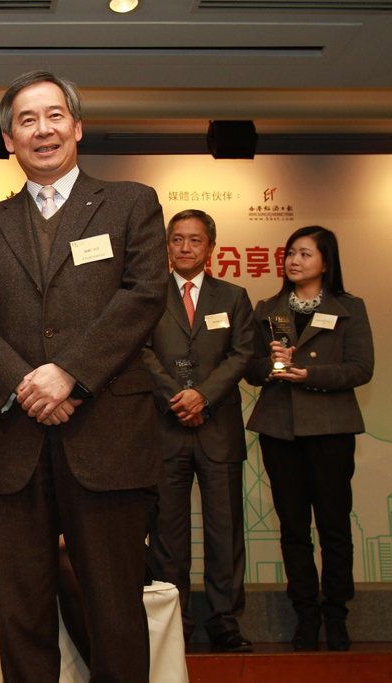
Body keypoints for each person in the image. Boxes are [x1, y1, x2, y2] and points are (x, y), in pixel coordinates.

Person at [0, 70, 168, 682]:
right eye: (26, 120)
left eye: (54, 116)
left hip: (106, 435)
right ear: (8, 139)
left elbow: (143, 295)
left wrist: (71, 375)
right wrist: (30, 386)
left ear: (77, 127)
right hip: (14, 442)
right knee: (21, 613)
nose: (42, 130)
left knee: (114, 608)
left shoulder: (132, 202)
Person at [245, 225, 373, 652]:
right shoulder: (268, 308)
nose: (294, 261)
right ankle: (305, 614)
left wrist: (310, 375)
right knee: (293, 528)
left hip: (331, 430)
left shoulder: (349, 308)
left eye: (304, 253)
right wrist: (271, 366)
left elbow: (360, 368)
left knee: (334, 526)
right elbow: (249, 368)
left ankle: (336, 613)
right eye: (290, 253)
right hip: (280, 430)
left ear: (325, 261)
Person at [141, 209, 255, 651]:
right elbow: (142, 353)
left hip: (218, 429)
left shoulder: (234, 296)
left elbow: (243, 353)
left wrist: (203, 395)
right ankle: (176, 622)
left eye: (194, 240)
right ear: (165, 246)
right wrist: (178, 397)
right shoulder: (148, 296)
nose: (185, 248)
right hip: (165, 427)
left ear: (211, 248)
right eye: (176, 240)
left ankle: (225, 620)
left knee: (224, 529)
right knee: (168, 533)